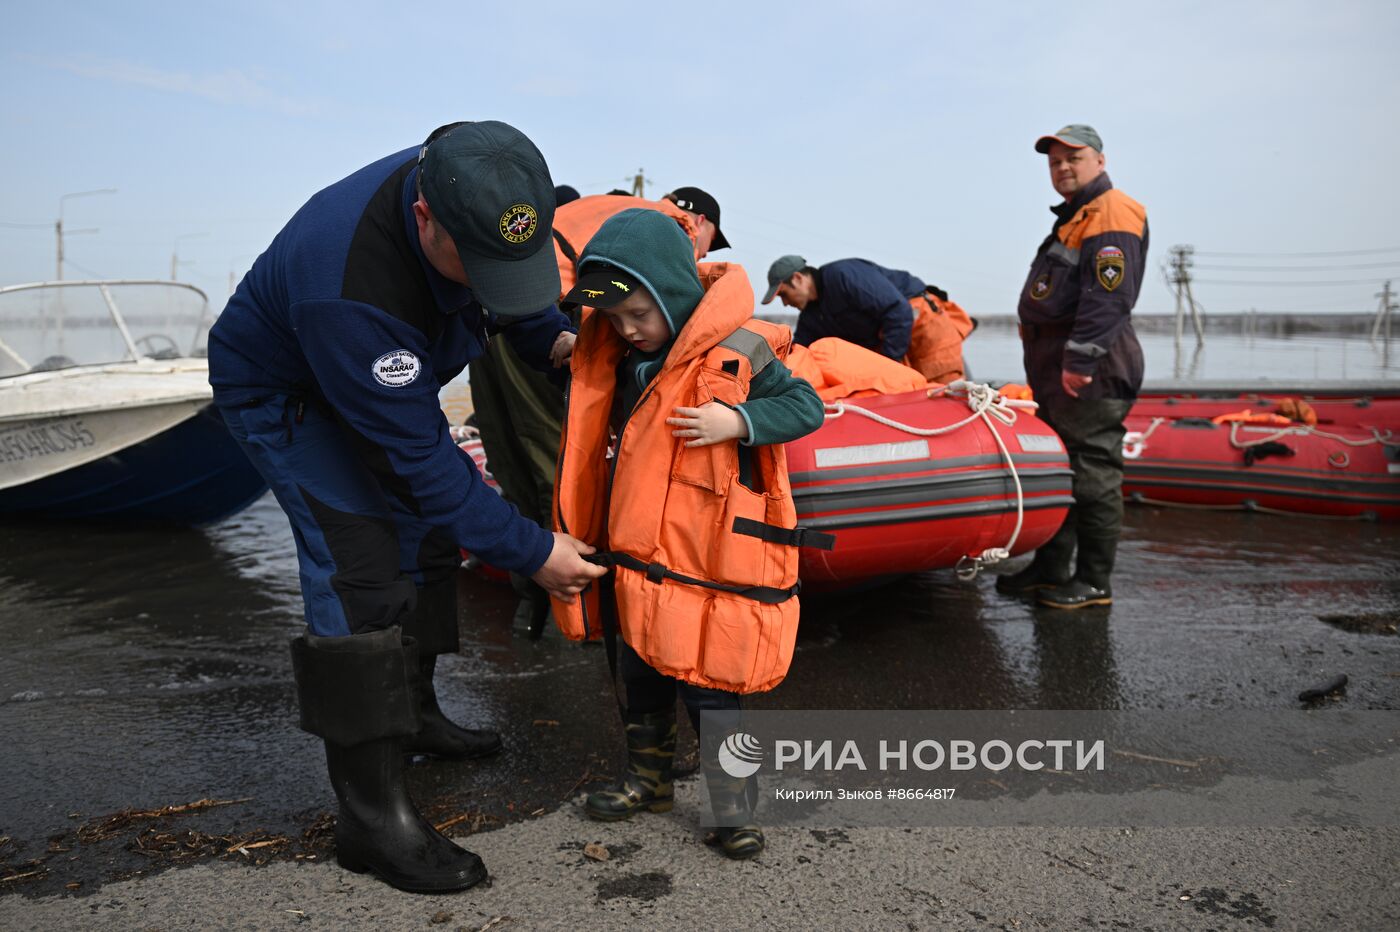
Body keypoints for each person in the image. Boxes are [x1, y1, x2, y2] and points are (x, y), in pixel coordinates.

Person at [207, 120, 606, 893]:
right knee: (361, 570)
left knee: (427, 543)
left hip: (382, 374)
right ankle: (369, 820)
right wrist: (533, 552)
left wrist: (555, 343)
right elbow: (421, 461)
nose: (494, 277)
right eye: (480, 264)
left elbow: (509, 293)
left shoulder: (482, 182)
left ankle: (416, 715)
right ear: (424, 216)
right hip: (288, 394)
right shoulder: (350, 286)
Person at [551, 208, 826, 859]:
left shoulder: (743, 350)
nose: (628, 330)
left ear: (673, 292)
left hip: (706, 565)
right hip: (635, 562)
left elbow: (804, 406)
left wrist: (738, 421)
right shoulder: (616, 357)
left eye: (639, 314)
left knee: (712, 689)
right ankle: (648, 781)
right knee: (638, 677)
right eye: (615, 320)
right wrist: (571, 351)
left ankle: (734, 810)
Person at [468, 186, 731, 635]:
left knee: (508, 452)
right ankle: (569, 607)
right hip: (541, 307)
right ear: (701, 223)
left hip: (490, 308)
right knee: (557, 453)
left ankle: (528, 602)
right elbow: (677, 305)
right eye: (709, 243)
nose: (702, 255)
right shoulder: (669, 227)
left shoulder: (603, 209)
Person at [996, 124, 1147, 610]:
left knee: (1094, 473)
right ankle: (1052, 568)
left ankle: (1095, 581)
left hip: (1091, 371)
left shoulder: (1111, 211)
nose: (1062, 168)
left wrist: (1080, 361)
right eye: (1054, 161)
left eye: (1073, 159)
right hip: (1057, 370)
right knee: (1064, 468)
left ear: (1100, 161)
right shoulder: (1076, 217)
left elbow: (1110, 296)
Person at [760, 254, 974, 384]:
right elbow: (799, 352)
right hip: (893, 345)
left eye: (784, 295)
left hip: (923, 327)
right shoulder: (812, 317)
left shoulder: (844, 275)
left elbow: (898, 310)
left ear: (798, 279)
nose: (786, 303)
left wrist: (888, 367)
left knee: (944, 390)